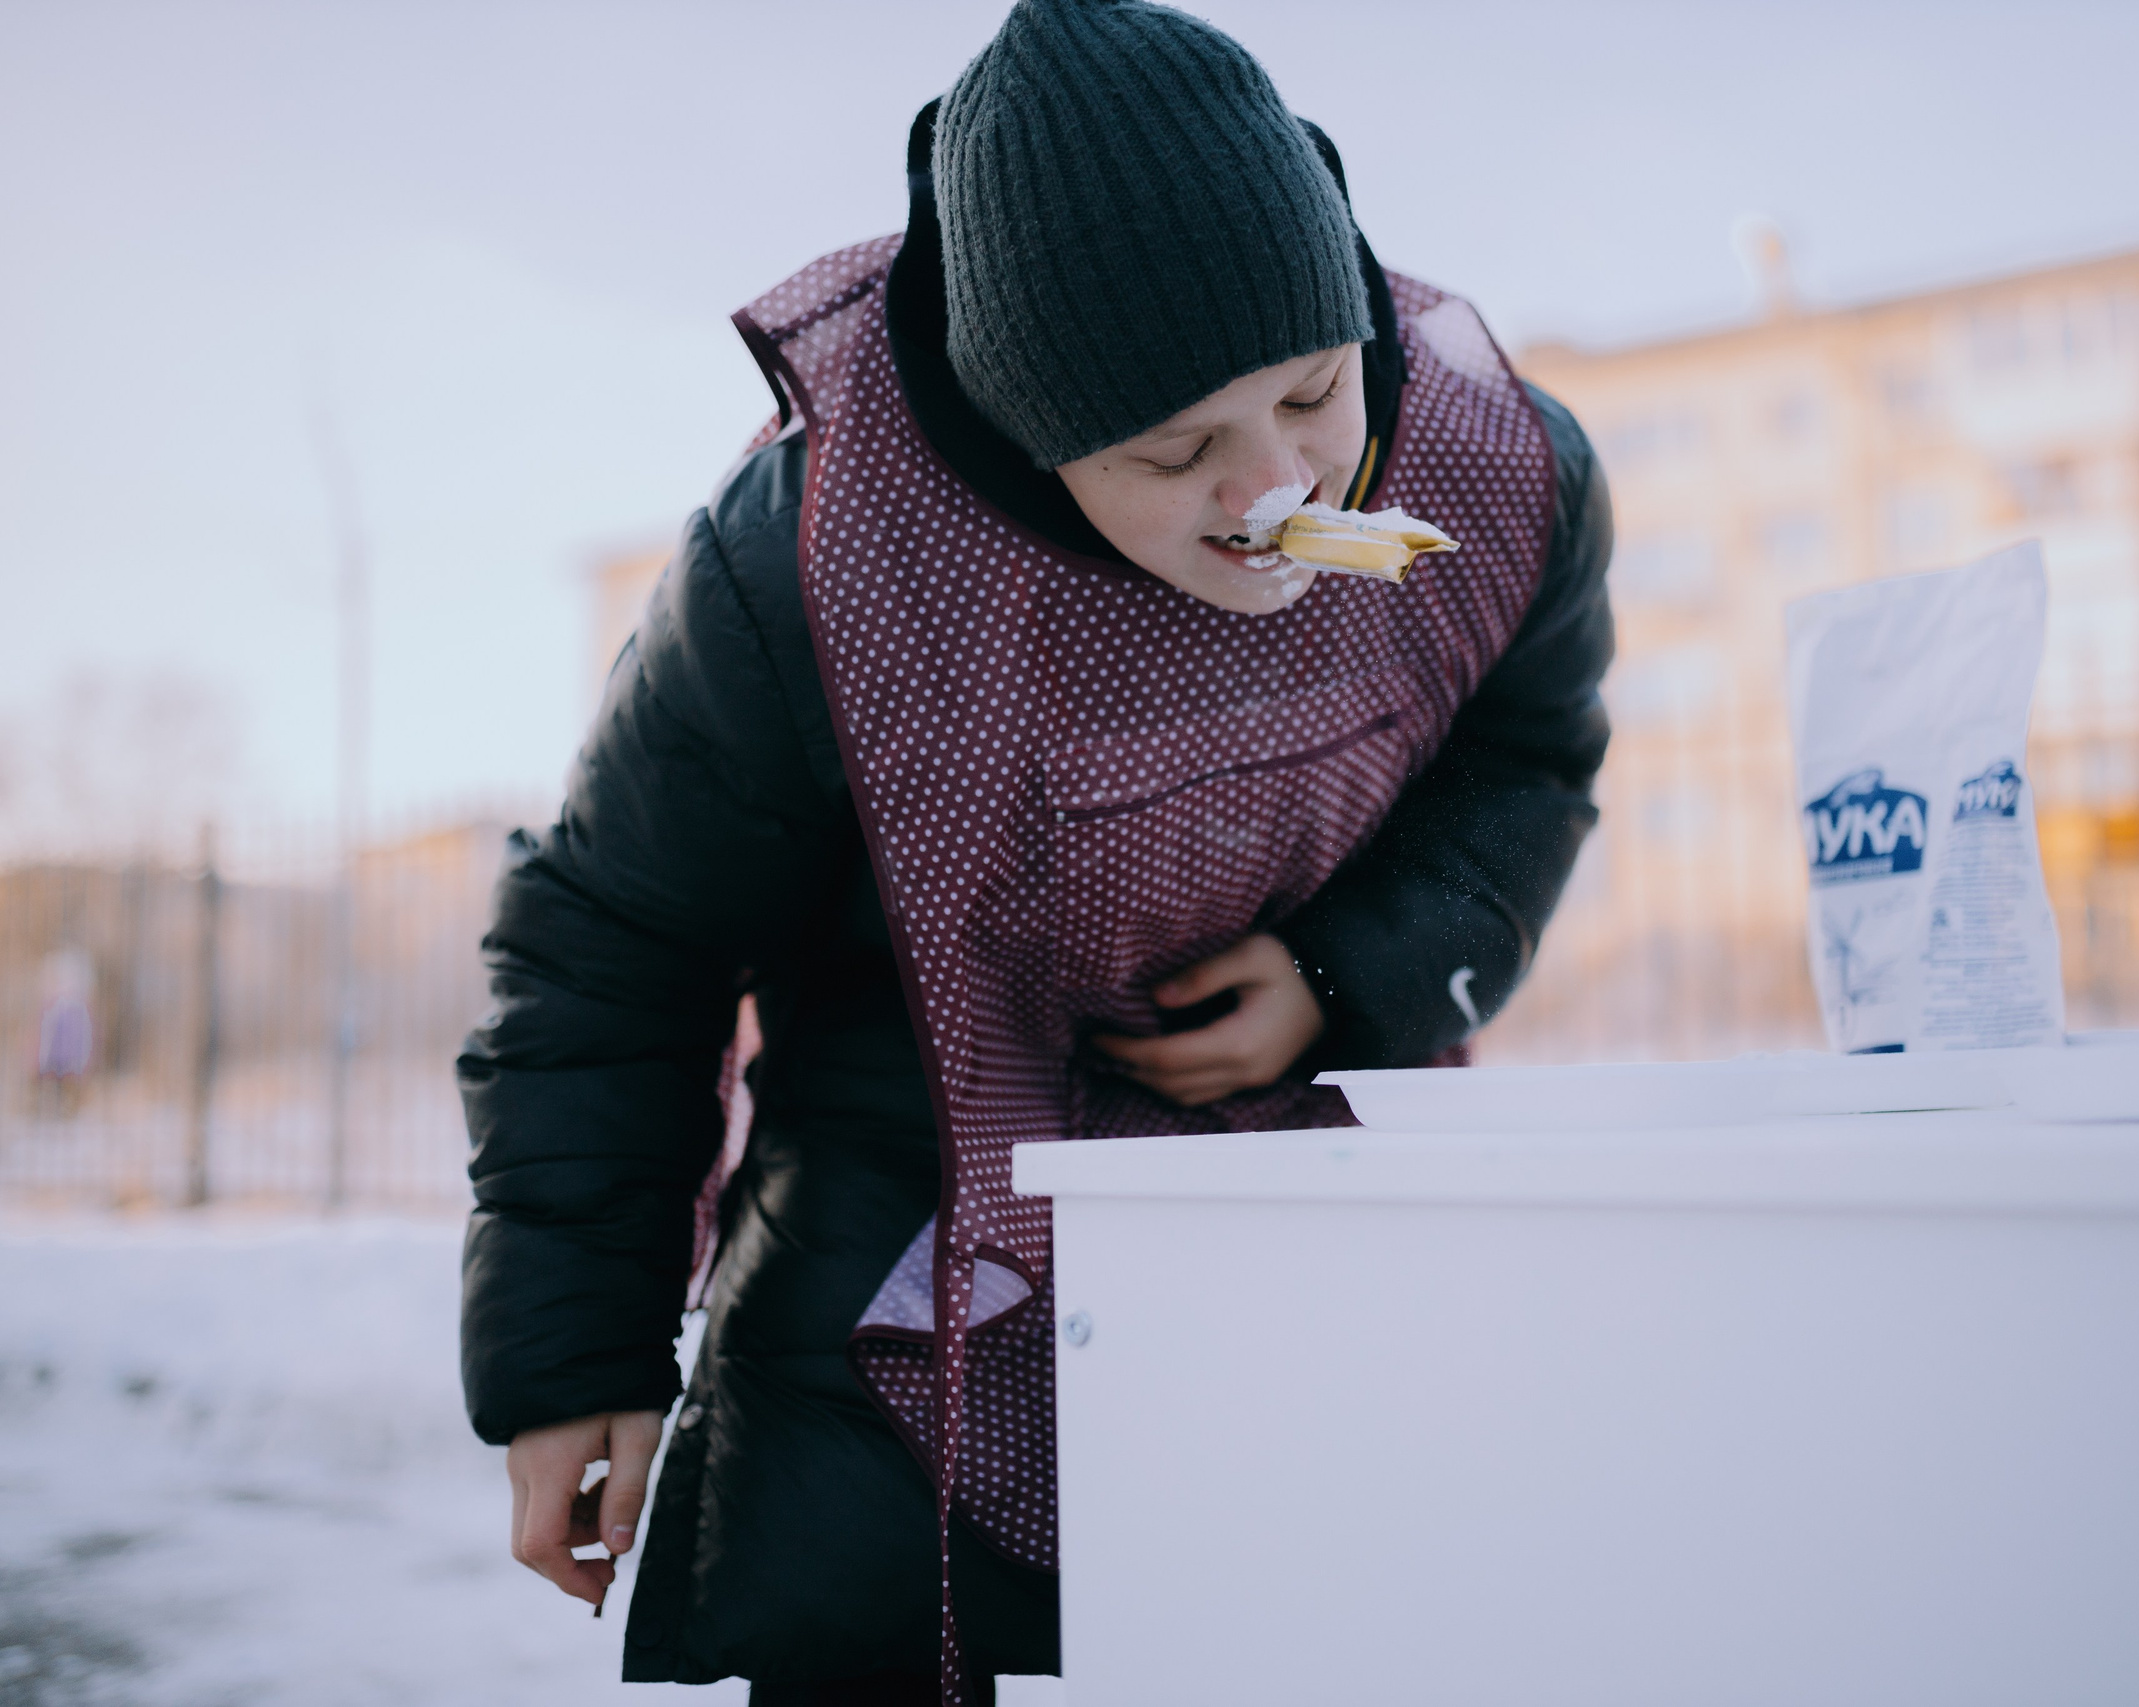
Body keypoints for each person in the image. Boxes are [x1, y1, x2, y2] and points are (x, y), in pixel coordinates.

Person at [457, 3, 1614, 1701]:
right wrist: (577, 1350)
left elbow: (1528, 764)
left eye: (1307, 393)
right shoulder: (801, 555)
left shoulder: (1505, 476)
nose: (1278, 483)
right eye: (1173, 451)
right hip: (886, 1247)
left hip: (1303, 1224)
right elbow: (615, 937)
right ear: (1028, 426)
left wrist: (1339, 979)